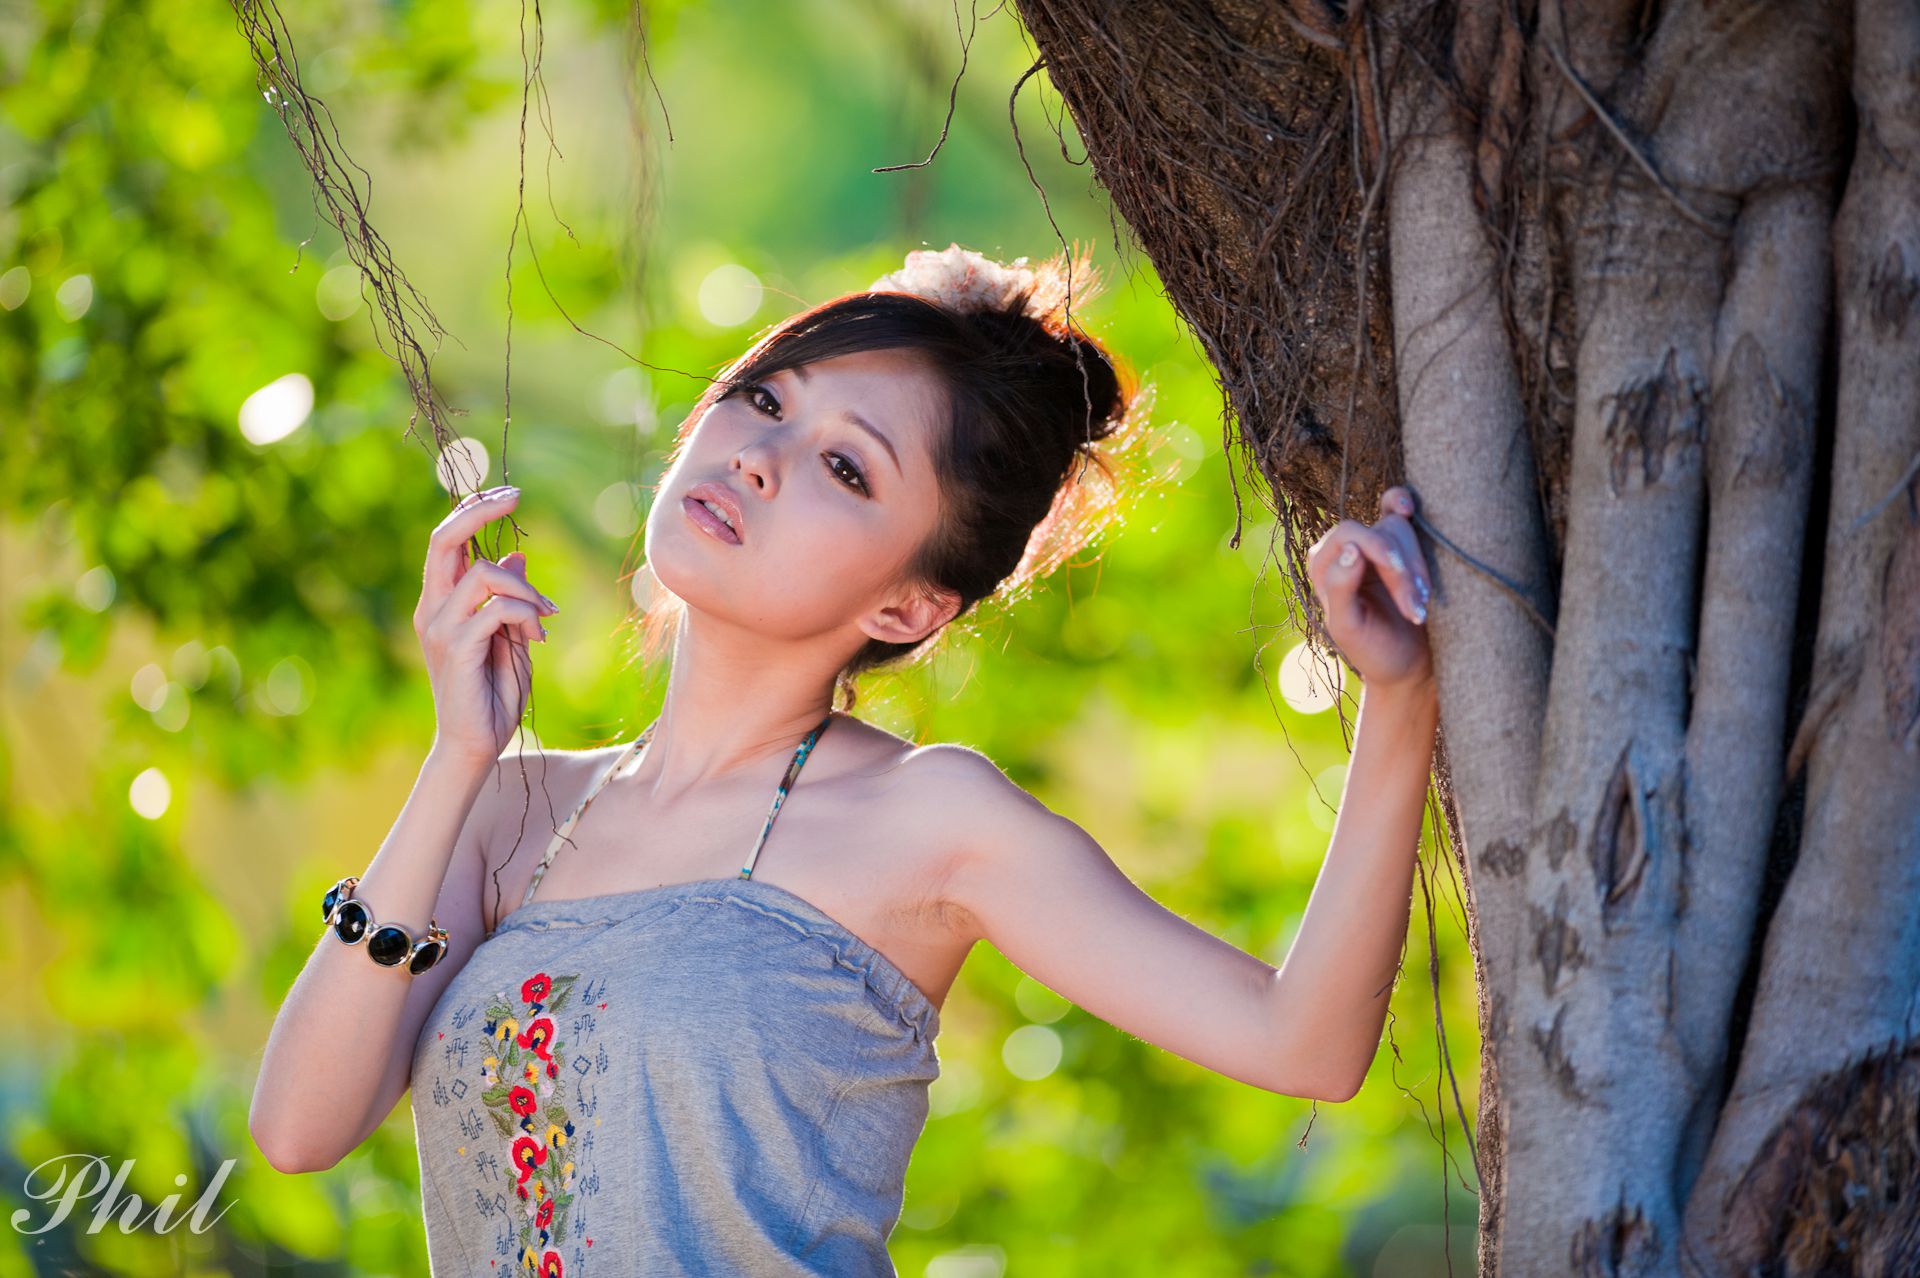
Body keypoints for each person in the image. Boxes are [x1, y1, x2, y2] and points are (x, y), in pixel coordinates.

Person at [248, 243, 1439, 1276]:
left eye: (847, 467)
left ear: (910, 608)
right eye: (766, 399)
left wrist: (1399, 696)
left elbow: (1304, 1044)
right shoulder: (511, 808)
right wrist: (459, 757)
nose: (759, 457)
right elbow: (301, 1129)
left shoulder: (926, 820)